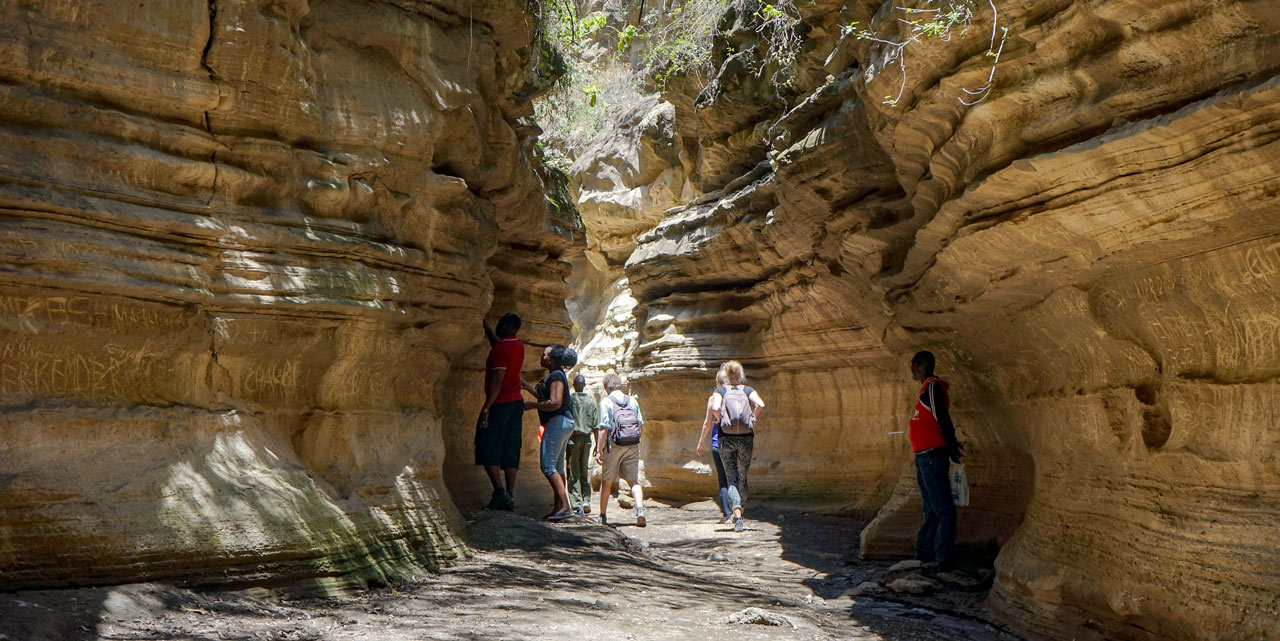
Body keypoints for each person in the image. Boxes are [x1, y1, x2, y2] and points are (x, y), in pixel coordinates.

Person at [908, 350, 962, 573]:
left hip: (932, 456)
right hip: (924, 456)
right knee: (930, 509)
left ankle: (942, 559)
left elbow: (943, 418)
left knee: (943, 509)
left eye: (913, 367)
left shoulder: (932, 386)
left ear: (916, 366)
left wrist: (952, 448)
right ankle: (925, 555)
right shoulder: (928, 387)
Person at [523, 344, 578, 521]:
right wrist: (527, 388)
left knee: (547, 466)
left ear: (551, 359)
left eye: (544, 355)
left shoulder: (556, 376)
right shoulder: (556, 375)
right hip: (563, 422)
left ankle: (565, 507)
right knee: (558, 467)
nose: (541, 356)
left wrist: (532, 406)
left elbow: (554, 402)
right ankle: (558, 508)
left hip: (558, 421)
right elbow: (546, 398)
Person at [709, 360, 764, 533]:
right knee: (742, 476)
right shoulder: (748, 390)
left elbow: (715, 407)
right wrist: (753, 417)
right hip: (746, 437)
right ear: (741, 375)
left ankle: (737, 515)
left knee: (731, 477)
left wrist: (719, 419)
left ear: (726, 375)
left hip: (726, 437)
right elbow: (761, 405)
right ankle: (742, 510)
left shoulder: (721, 390)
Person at [475, 313, 523, 511]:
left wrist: (486, 407)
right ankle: (510, 495)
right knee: (511, 448)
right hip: (516, 404)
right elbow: (500, 348)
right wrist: (487, 331)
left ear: (503, 327)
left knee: (487, 445)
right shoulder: (517, 345)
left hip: (500, 404)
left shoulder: (500, 351)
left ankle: (499, 492)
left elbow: (497, 381)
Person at [595, 372, 646, 527]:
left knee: (607, 481)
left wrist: (599, 450)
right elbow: (640, 425)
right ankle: (640, 511)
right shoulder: (632, 400)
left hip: (614, 446)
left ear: (606, 387)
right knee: (633, 481)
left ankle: (603, 516)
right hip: (632, 445)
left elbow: (604, 428)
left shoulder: (606, 402)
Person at [696, 368, 733, 523]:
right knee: (735, 478)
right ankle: (738, 510)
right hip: (736, 441)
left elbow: (707, 423)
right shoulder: (738, 396)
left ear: (718, 383)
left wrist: (701, 442)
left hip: (718, 442)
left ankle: (727, 513)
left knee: (723, 479)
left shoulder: (713, 399)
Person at [567, 374, 598, 515]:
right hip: (587, 440)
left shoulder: (570, 400)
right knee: (584, 471)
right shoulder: (591, 401)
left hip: (573, 439)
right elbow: (596, 425)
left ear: (574, 385)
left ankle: (577, 504)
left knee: (573, 473)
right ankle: (586, 499)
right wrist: (598, 446)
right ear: (584, 385)